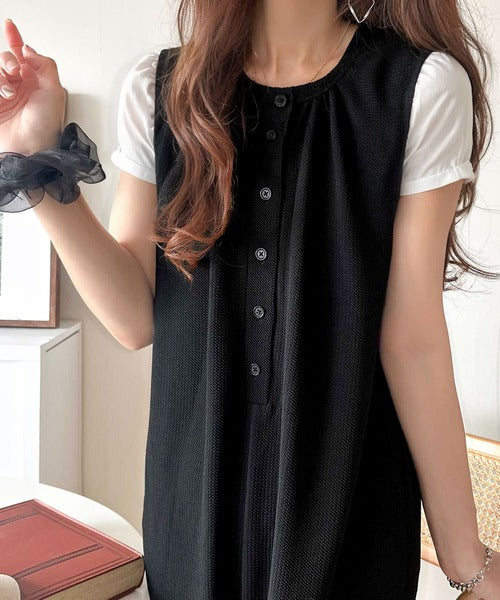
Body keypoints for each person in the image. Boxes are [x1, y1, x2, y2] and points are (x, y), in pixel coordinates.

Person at [0, 0, 499, 597]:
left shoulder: (419, 88)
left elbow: (411, 340)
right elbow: (135, 317)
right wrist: (35, 157)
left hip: (348, 517)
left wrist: (466, 563)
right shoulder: (159, 89)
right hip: (193, 514)